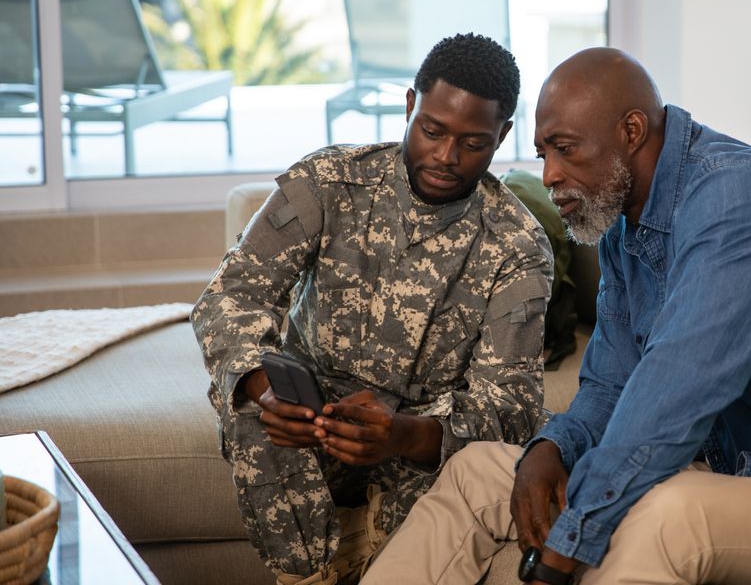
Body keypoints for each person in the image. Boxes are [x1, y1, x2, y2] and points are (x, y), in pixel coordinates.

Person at [362, 47, 751, 585]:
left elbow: (681, 384)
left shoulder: (739, 199)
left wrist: (574, 534)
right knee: (478, 471)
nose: (550, 176)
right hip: (733, 469)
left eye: (566, 148)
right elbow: (613, 383)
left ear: (632, 130)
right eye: (544, 154)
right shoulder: (623, 228)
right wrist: (552, 448)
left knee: (669, 517)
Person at [191, 33, 554, 585]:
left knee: (471, 470)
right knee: (247, 410)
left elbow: (512, 406)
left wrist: (404, 434)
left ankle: (374, 551)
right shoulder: (327, 182)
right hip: (308, 425)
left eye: (473, 142)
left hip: (417, 443)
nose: (446, 157)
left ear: (502, 136)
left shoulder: (517, 246)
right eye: (432, 130)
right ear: (410, 107)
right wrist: (264, 385)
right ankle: (308, 577)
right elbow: (231, 295)